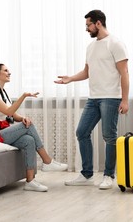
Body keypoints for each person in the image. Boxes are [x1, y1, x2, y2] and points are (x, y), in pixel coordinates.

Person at [55, 10, 129, 190]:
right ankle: (87, 174)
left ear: (98, 23)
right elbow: (87, 72)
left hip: (111, 97)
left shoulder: (116, 43)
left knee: (109, 136)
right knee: (82, 132)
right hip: (94, 97)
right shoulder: (90, 47)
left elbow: (124, 73)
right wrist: (70, 78)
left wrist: (125, 100)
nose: (86, 29)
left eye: (88, 25)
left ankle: (108, 175)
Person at [0, 63, 68, 192]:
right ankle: (47, 161)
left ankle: (30, 181)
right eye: (5, 70)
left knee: (29, 140)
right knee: (28, 126)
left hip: (2, 130)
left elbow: (12, 114)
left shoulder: (2, 92)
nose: (9, 73)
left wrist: (22, 118)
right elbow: (8, 112)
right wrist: (24, 96)